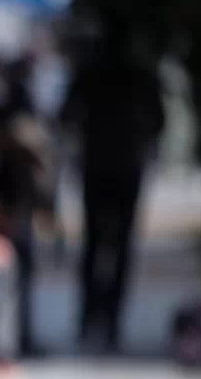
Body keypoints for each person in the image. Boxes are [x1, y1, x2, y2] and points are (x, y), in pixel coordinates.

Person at [61, 21, 165, 351]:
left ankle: (91, 316)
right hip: (124, 167)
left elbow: (66, 115)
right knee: (118, 247)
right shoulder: (138, 75)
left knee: (95, 245)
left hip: (99, 166)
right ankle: (109, 319)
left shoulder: (91, 73)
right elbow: (158, 122)